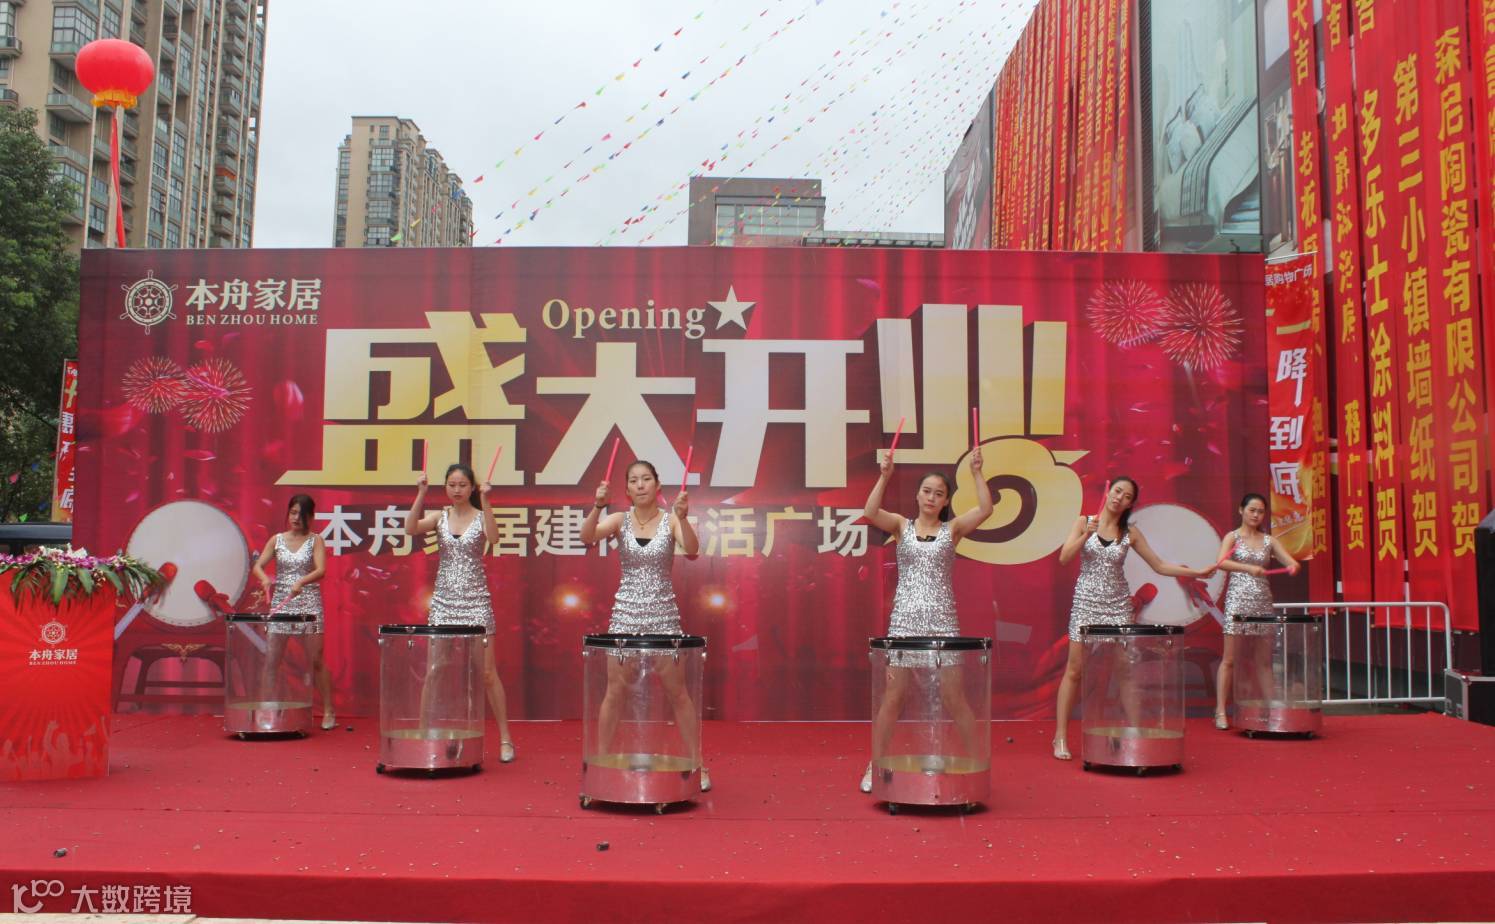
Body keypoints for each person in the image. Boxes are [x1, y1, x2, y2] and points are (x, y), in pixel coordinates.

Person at [857, 445, 993, 793]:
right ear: (917, 495)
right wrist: (884, 476)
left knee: (954, 697)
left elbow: (986, 509)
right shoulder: (901, 526)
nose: (931, 498)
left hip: (943, 621)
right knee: (893, 697)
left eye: (939, 494)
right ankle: (875, 763)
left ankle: (974, 763)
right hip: (904, 621)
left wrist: (977, 472)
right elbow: (870, 511)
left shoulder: (953, 529)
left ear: (946, 501)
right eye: (927, 491)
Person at [1051, 477, 1215, 760]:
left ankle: (1136, 732)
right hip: (1086, 603)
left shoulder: (1130, 533)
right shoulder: (1084, 522)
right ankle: (1061, 736)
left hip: (1118, 605)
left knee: (1125, 671)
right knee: (1075, 670)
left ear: (1130, 503)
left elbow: (1159, 565)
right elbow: (1064, 558)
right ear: (1108, 492)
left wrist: (1197, 572)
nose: (1119, 498)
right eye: (1117, 491)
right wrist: (1085, 535)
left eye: (1127, 496)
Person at [580, 461, 707, 790]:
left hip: (663, 616)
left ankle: (697, 762)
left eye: (646, 479)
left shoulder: (670, 520)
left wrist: (683, 517)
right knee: (614, 692)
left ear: (657, 485)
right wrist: (597, 506)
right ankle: (601, 762)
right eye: (634, 480)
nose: (640, 485)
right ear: (626, 489)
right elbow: (587, 537)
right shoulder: (618, 520)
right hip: (625, 614)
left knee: (678, 693)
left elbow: (693, 550)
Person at [404, 463, 515, 762]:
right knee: (434, 671)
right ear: (445, 487)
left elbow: (494, 537)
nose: (456, 490)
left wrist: (487, 500)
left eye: (462, 485)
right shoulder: (439, 516)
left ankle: (506, 739)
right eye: (451, 484)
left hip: (476, 601)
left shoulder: (480, 516)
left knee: (488, 674)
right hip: (443, 602)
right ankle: (424, 733)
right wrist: (420, 493)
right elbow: (410, 528)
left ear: (472, 488)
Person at [1213, 492, 1300, 729]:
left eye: (1260, 511)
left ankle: (1271, 709)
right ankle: (1220, 710)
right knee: (1229, 659)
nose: (1256, 515)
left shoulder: (1269, 540)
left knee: (1264, 661)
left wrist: (1293, 566)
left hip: (1262, 602)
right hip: (1237, 601)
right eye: (1252, 510)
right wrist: (1248, 569)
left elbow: (1290, 561)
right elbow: (1221, 562)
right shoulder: (1232, 537)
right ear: (1241, 510)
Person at [250, 494, 334, 729]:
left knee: (316, 659)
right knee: (272, 659)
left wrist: (301, 582)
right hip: (282, 602)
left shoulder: (315, 540)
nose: (296, 518)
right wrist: (264, 578)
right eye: (293, 513)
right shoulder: (276, 540)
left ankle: (329, 710)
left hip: (308, 602)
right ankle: (267, 709)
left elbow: (321, 570)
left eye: (302, 514)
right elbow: (258, 565)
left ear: (311, 517)